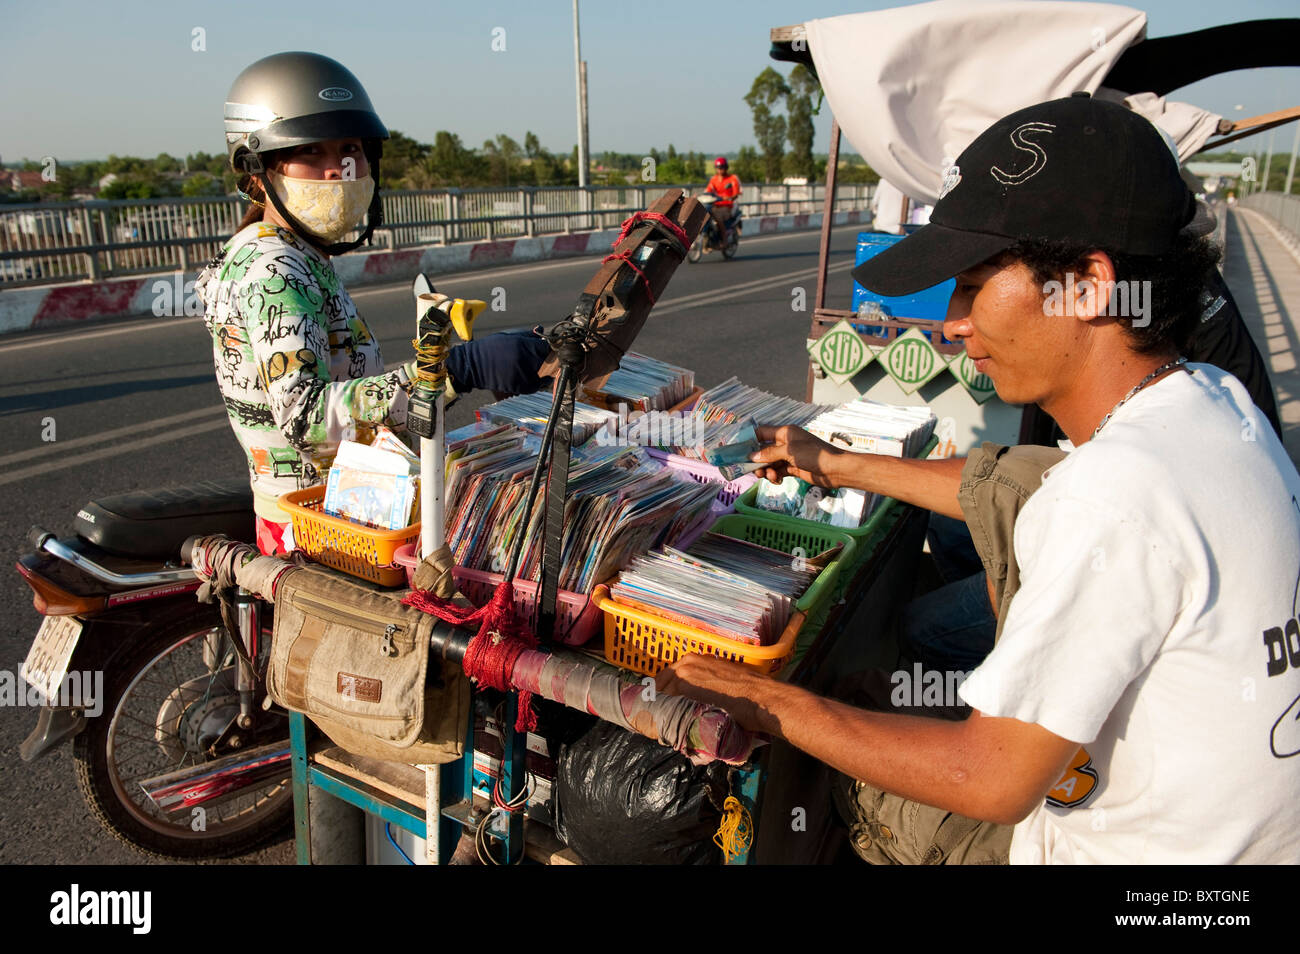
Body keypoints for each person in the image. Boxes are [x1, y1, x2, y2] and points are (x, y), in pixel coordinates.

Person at [658, 95, 1300, 864]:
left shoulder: (1118, 496)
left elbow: (988, 779)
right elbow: (1024, 484)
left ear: (1087, 287)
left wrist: (770, 701)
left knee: (835, 766)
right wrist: (833, 462)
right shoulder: (1206, 402)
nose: (954, 323)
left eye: (973, 287)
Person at [196, 52, 550, 555]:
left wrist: (443, 362)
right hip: (320, 531)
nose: (338, 169)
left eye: (350, 149)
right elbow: (309, 418)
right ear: (256, 170)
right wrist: (452, 371)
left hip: (348, 504)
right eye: (311, 151)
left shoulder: (288, 254)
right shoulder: (274, 268)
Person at [705, 156, 741, 248]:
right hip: (715, 205)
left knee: (717, 216)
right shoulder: (714, 179)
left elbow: (736, 193)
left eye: (722, 167)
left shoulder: (732, 178)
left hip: (727, 206)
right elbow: (708, 190)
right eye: (718, 168)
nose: (720, 170)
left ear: (726, 167)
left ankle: (724, 240)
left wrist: (729, 197)